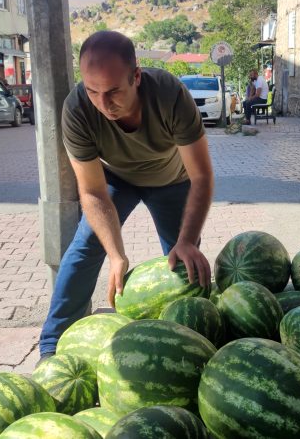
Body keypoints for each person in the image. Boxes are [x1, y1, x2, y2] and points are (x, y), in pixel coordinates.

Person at [38, 31, 214, 361]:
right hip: (116, 179)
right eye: (93, 91)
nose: (103, 104)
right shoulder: (77, 109)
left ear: (136, 76)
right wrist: (116, 254)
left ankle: (185, 348)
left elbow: (202, 177)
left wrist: (188, 239)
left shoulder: (169, 94)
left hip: (172, 181)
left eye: (113, 91)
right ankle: (52, 346)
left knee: (181, 266)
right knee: (86, 245)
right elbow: (91, 191)